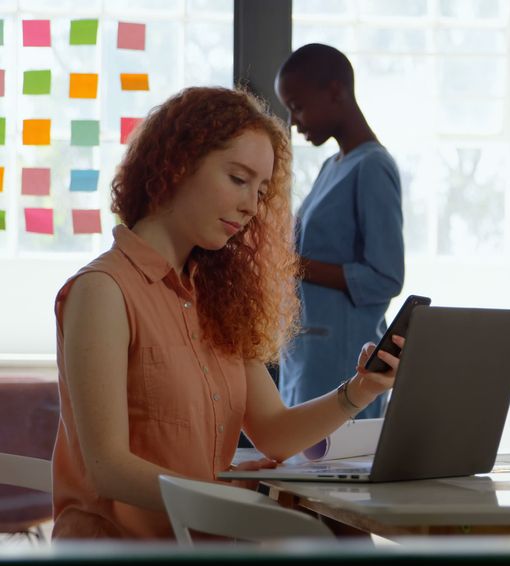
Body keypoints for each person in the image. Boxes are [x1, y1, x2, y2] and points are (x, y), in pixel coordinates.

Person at [52, 87, 402, 540]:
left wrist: (360, 389)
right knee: (332, 537)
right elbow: (109, 471)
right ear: (176, 164)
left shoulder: (214, 299)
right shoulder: (103, 291)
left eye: (261, 191)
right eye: (238, 179)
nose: (251, 206)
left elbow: (274, 433)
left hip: (207, 535)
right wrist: (232, 492)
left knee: (344, 533)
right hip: (127, 547)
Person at [273, 43, 405, 417]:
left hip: (343, 364)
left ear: (334, 91)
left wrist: (294, 265)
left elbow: (385, 277)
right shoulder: (333, 165)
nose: (294, 122)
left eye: (297, 106)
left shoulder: (373, 167)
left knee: (331, 467)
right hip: (308, 358)